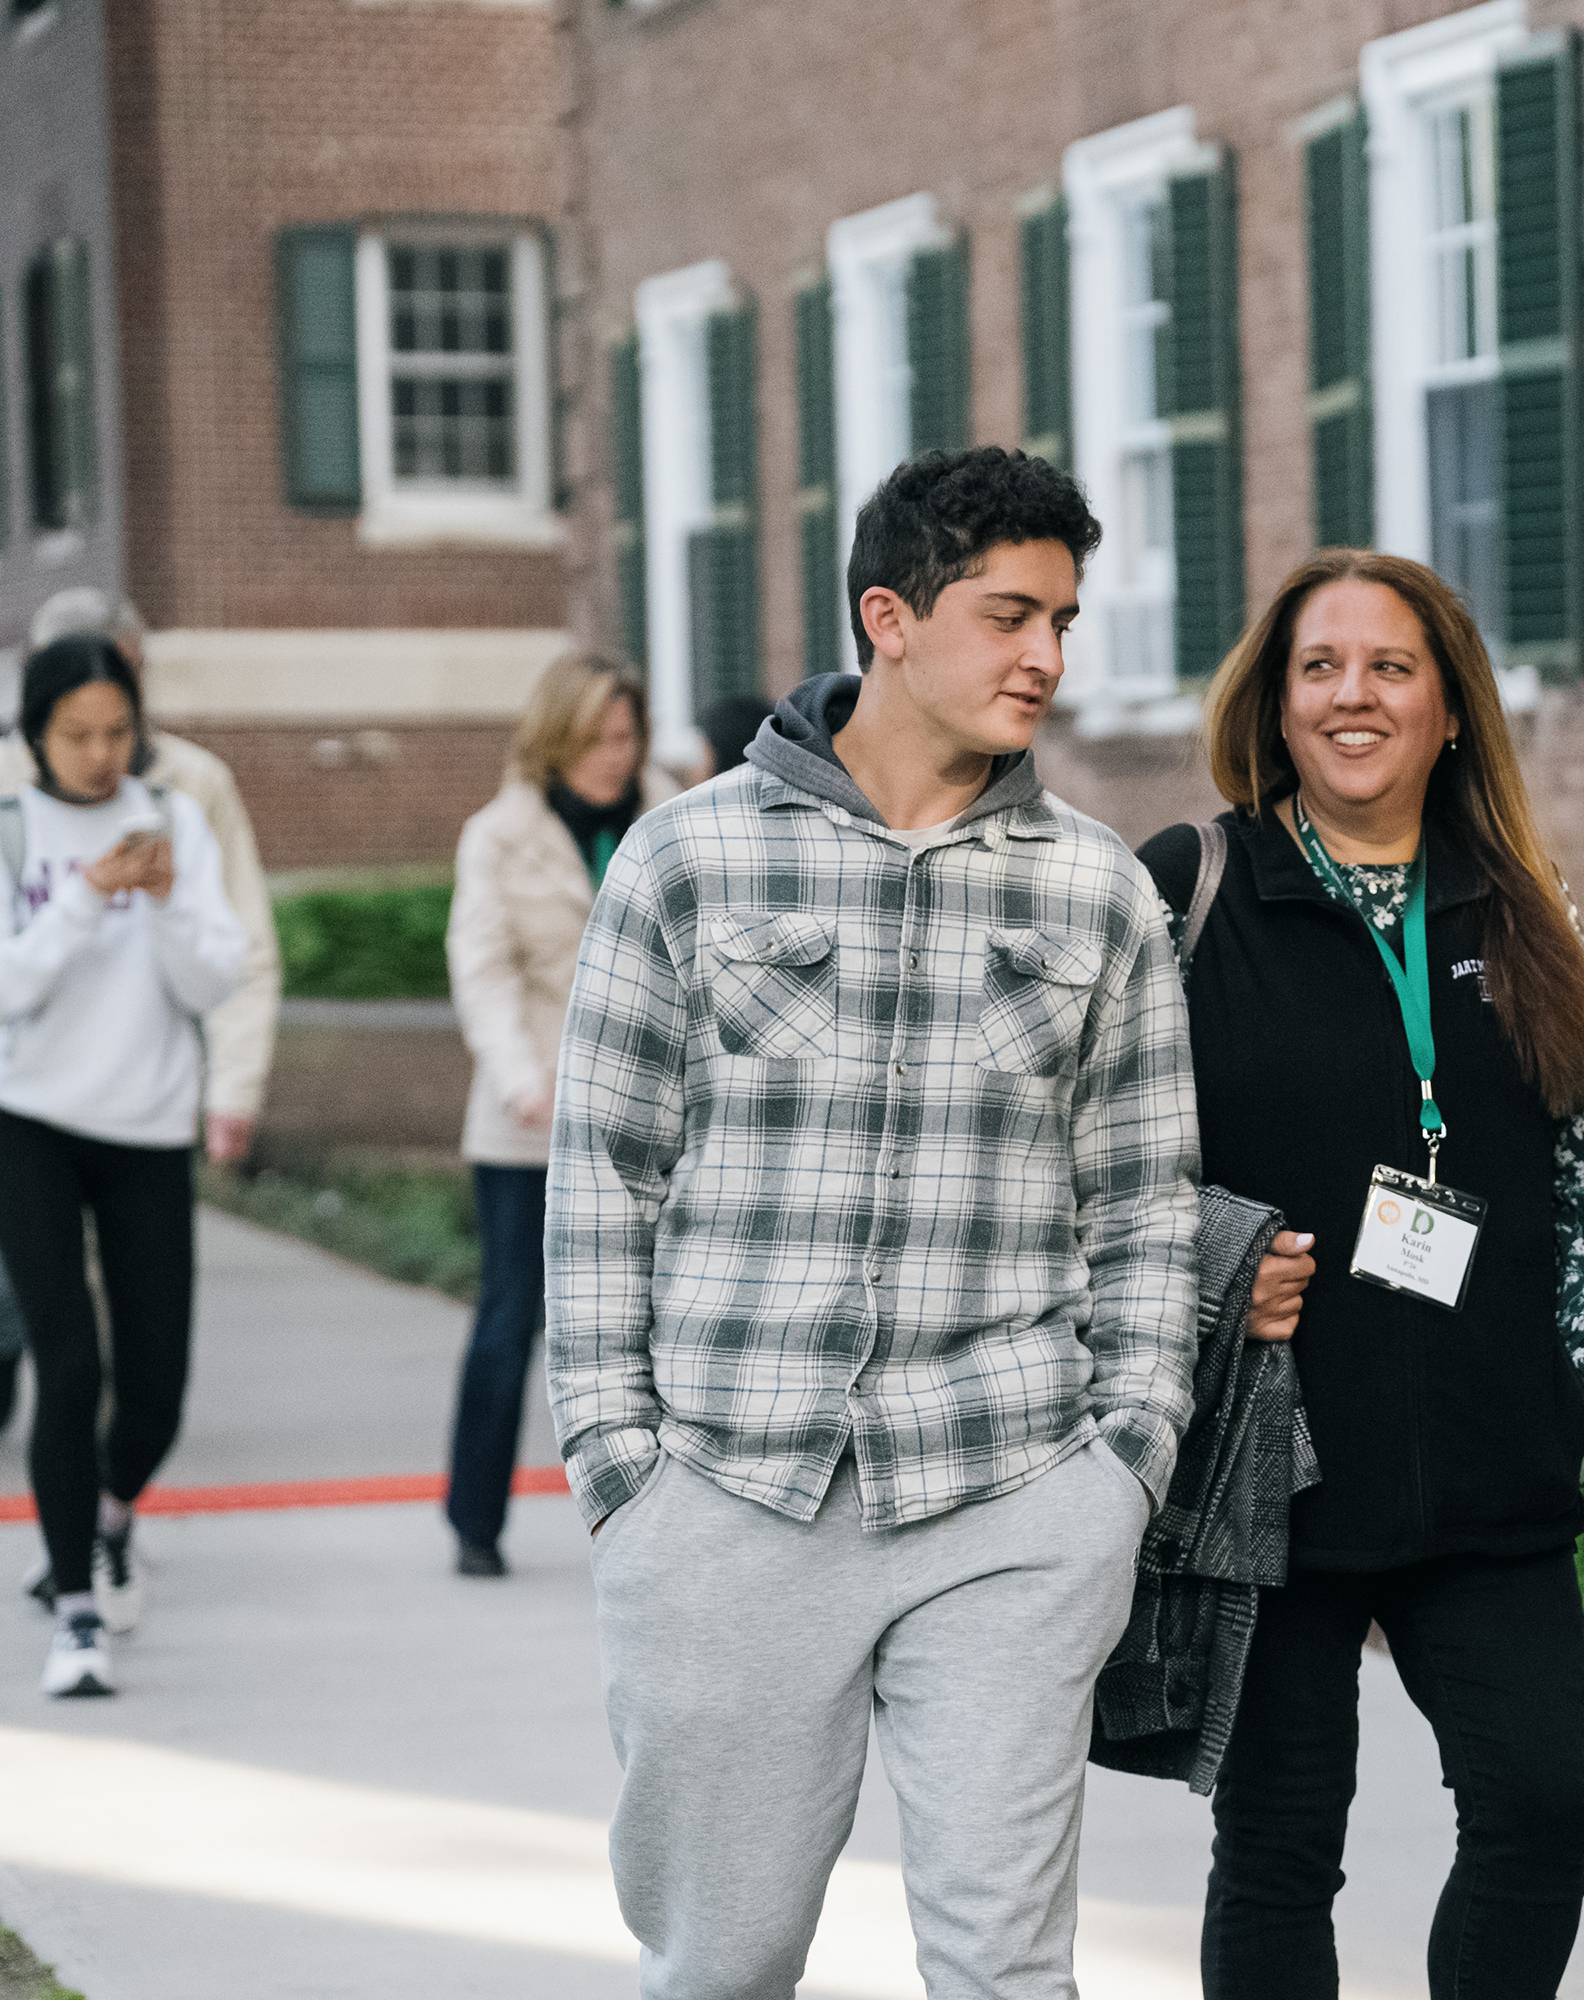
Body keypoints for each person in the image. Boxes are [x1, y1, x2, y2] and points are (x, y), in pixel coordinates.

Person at [547, 445, 1196, 1997]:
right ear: (888, 617)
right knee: (725, 1961)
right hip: (728, 1493)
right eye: (1008, 615)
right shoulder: (686, 859)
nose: (1046, 656)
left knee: (1003, 1964)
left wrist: (1126, 1458)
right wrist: (619, 1467)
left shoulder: (1097, 891)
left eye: (1063, 621)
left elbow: (1146, 1197)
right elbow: (602, 1174)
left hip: (1013, 1491)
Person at [1136, 550, 1584, 2000]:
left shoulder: (1521, 908)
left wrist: (1565, 1388)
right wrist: (1214, 1265)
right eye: (1321, 667)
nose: (1353, 695)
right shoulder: (1191, 893)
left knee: (1538, 1820)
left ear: (1450, 712)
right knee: (1277, 1849)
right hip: (1276, 1472)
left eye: (1391, 667)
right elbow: (1089, 1167)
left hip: (1490, 1475)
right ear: (1275, 704)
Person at [0, 637, 246, 1697]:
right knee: (69, 1363)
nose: (100, 753)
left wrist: (166, 897)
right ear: (37, 730)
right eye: (78, 734)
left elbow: (216, 974)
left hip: (146, 1121)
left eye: (118, 732)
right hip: (27, 1117)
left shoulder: (173, 818)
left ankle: (107, 1512)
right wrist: (83, 894)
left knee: (157, 1387)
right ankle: (75, 1608)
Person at [0, 591, 282, 1441]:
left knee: (127, 1331)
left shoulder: (194, 786)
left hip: (141, 1089)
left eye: (123, 690)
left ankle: (100, 1487)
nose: (104, 733)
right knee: (15, 1275)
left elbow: (242, 945)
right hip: (20, 1081)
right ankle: (2, 1349)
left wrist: (234, 1089)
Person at [442, 654, 678, 1578]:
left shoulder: (668, 816)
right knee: (511, 1320)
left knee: (651, 1326)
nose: (615, 757)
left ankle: (652, 1514)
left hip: (646, 1119)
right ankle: (473, 1520)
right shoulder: (499, 836)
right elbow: (483, 969)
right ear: (556, 741)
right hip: (526, 1121)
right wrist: (515, 1075)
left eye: (626, 738)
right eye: (596, 740)